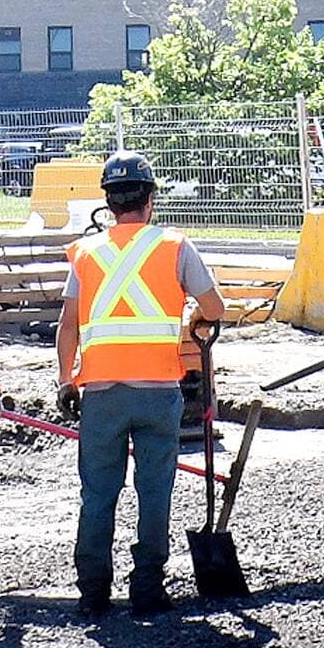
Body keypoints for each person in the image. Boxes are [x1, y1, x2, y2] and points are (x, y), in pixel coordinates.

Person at [56, 151, 225, 617]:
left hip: (102, 393)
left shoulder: (86, 253)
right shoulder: (174, 246)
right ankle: (147, 587)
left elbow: (67, 326)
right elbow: (215, 308)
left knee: (98, 491)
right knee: (155, 491)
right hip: (158, 391)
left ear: (109, 203)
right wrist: (193, 316)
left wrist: (65, 380)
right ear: (150, 200)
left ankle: (93, 590)